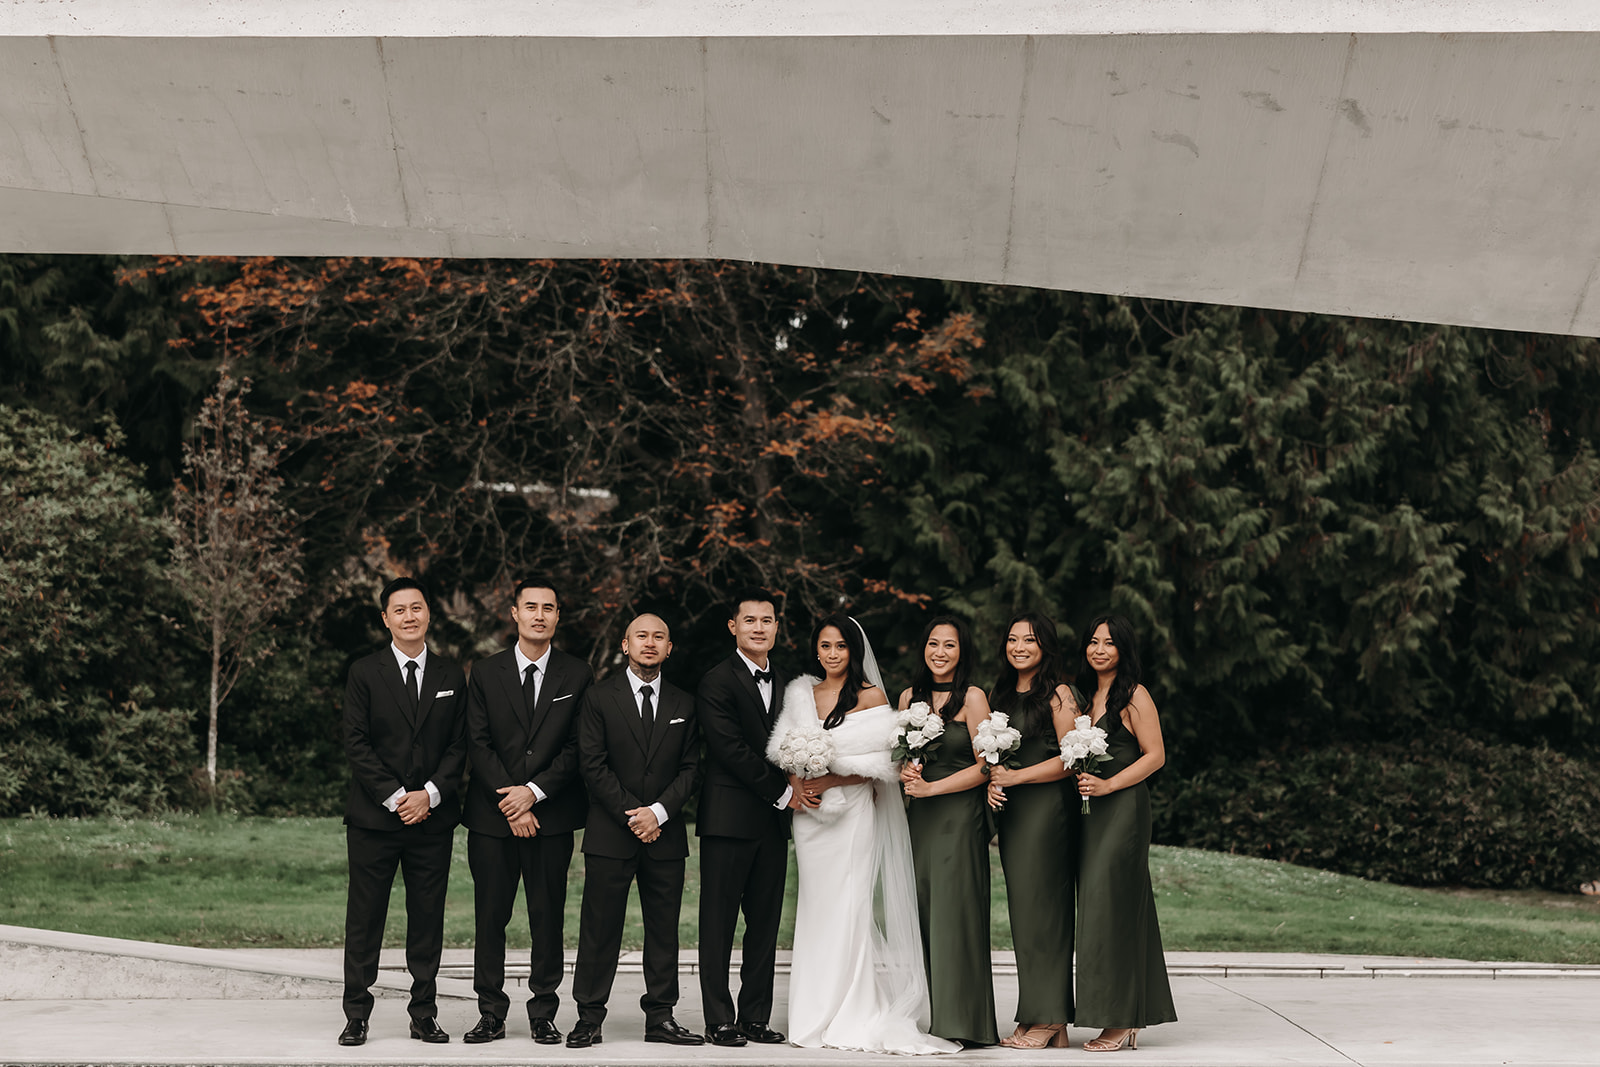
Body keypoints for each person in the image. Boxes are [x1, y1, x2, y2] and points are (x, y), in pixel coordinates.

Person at [770, 614, 959, 1055]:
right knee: (816, 908)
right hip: (811, 819)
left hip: (854, 816)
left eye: (840, 646)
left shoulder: (872, 695)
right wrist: (798, 785)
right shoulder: (802, 693)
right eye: (825, 646)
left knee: (850, 908)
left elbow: (884, 764)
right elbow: (783, 749)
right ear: (815, 650)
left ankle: (850, 1009)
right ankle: (811, 1012)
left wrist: (832, 780)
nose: (832, 654)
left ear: (853, 651)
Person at [461, 578, 594, 1045]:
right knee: (490, 917)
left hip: (551, 817)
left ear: (559, 616)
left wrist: (534, 793)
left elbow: (579, 746)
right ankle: (491, 1012)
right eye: (531, 607)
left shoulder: (577, 675)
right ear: (513, 613)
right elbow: (476, 743)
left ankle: (543, 1012)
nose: (540, 615)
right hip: (491, 819)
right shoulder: (484, 671)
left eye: (549, 608)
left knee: (547, 916)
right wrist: (511, 801)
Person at [338, 577, 467, 1047]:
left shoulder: (452, 675)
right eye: (400, 610)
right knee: (365, 917)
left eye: (417, 608)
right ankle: (356, 1014)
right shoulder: (364, 672)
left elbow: (459, 746)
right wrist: (396, 796)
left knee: (427, 917)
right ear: (386, 619)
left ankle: (424, 1014)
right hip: (375, 820)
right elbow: (356, 742)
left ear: (429, 614)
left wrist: (428, 795)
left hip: (432, 820)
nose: (409, 616)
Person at [566, 613, 704, 1048]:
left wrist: (659, 813)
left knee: (663, 930)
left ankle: (660, 1017)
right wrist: (634, 813)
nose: (650, 643)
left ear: (669, 648)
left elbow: (691, 768)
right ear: (625, 645)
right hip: (611, 832)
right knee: (600, 928)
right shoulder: (598, 697)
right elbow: (592, 764)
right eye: (641, 636)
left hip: (665, 834)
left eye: (658, 637)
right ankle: (589, 1017)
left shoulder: (685, 703)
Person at [696, 586, 814, 1048]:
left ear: (776, 627)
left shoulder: (790, 684)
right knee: (719, 924)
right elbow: (730, 750)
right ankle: (718, 1018)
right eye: (750, 620)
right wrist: (784, 793)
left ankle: (755, 1017)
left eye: (767, 621)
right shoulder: (716, 681)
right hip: (729, 819)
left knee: (764, 926)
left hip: (772, 826)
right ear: (734, 626)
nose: (759, 628)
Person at [1072, 615, 1177, 1052]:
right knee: (1101, 908)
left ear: (1123, 650)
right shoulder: (1084, 696)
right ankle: (1125, 1012)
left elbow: (1156, 756)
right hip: (1089, 812)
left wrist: (1110, 784)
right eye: (1093, 641)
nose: (1099, 649)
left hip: (1123, 810)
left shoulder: (1134, 695)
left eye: (1109, 643)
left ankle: (1120, 1020)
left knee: (1110, 906)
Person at [899, 615, 999, 1047]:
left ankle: (967, 1021)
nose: (940, 652)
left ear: (963, 652)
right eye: (933, 644)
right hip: (919, 819)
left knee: (955, 913)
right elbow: (900, 753)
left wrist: (932, 787)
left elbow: (987, 764)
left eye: (950, 645)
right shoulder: (908, 696)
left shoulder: (973, 697)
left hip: (959, 817)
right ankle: (939, 1015)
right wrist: (906, 771)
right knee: (925, 912)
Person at [986, 612, 1080, 1049]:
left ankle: (1049, 1016)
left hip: (1047, 811)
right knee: (1025, 913)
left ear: (1045, 645)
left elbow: (1071, 758)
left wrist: (1016, 778)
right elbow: (991, 757)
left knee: (1046, 912)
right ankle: (1041, 1016)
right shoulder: (1000, 693)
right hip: (1014, 814)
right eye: (1012, 639)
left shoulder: (1058, 693)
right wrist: (993, 782)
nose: (1019, 646)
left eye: (1029, 639)